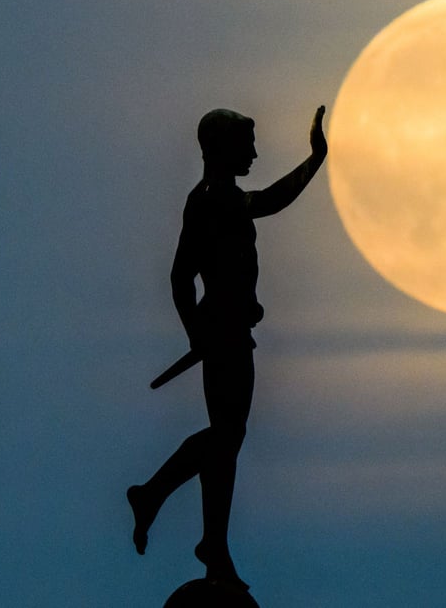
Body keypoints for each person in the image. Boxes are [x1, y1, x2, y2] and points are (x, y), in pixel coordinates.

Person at [128, 106, 327, 590]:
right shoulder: (212, 200)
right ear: (220, 148)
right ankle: (159, 500)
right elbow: (181, 276)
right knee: (226, 436)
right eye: (246, 145)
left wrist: (206, 325)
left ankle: (209, 540)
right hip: (224, 335)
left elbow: (191, 273)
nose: (254, 154)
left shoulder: (218, 199)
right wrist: (198, 332)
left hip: (232, 332)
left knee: (227, 440)